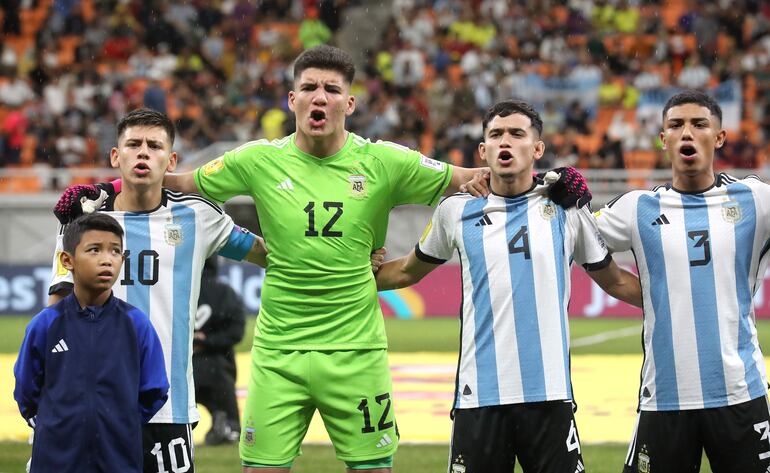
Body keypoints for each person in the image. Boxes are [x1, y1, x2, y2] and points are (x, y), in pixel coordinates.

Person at [155, 45, 491, 472]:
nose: (319, 96)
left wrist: (547, 185)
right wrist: (108, 190)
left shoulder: (383, 161)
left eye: (332, 89)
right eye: (309, 87)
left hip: (356, 351)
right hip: (279, 351)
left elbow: (469, 181)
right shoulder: (259, 160)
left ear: (348, 103)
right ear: (292, 100)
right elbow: (178, 183)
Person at [373, 100, 642, 473]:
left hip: (550, 397)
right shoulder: (456, 211)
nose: (506, 142)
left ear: (537, 149)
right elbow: (406, 272)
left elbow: (613, 279)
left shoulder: (566, 207)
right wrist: (351, 275)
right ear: (482, 151)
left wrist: (676, 298)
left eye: (517, 134)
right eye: (496, 135)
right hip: (479, 399)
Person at [48, 108, 268, 473]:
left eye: (154, 145)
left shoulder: (199, 217)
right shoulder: (81, 224)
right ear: (116, 156)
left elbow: (269, 254)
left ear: (172, 159)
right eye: (133, 144)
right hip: (89, 405)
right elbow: (56, 312)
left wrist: (352, 254)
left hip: (167, 406)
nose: (144, 153)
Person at [593, 90, 770, 472]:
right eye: (676, 125)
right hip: (665, 398)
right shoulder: (636, 207)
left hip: (739, 393)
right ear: (664, 140)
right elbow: (575, 240)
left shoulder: (756, 200)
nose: (687, 132)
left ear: (719, 137)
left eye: (699, 124)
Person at [14, 212, 169, 473]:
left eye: (115, 251)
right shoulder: (45, 324)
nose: (107, 259)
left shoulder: (136, 324)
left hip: (119, 461)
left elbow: (154, 391)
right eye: (94, 250)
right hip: (55, 461)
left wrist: (119, 424)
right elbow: (26, 392)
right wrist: (56, 426)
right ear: (68, 260)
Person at [193, 255, 246, 446]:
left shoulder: (177, 290)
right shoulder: (225, 293)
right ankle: (226, 426)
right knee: (229, 418)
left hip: (181, 369)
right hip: (217, 369)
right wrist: (209, 340)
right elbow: (236, 331)